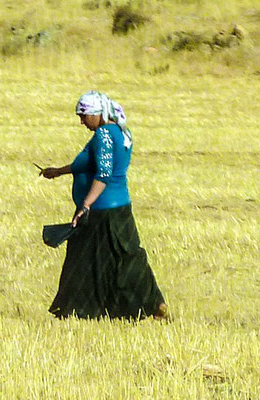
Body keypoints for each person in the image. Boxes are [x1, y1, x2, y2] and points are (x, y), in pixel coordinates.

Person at [40, 91, 167, 320]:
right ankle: (153, 303)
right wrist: (59, 171)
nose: (81, 121)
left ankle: (75, 311)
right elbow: (91, 162)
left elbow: (104, 173)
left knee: (83, 262)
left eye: (84, 115)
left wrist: (86, 205)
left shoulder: (104, 135)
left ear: (98, 113)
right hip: (120, 207)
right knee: (127, 256)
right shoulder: (119, 131)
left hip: (102, 211)